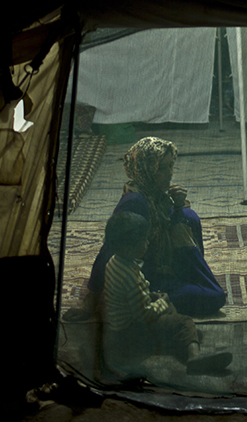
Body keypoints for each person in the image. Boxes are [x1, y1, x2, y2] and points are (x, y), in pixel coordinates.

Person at [88, 136, 226, 317]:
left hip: (162, 266)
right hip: (146, 279)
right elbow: (110, 248)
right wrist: (89, 302)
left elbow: (166, 225)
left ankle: (194, 280)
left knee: (187, 216)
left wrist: (177, 207)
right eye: (162, 168)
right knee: (214, 296)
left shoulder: (156, 195)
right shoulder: (135, 202)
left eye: (171, 166)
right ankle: (162, 298)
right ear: (146, 169)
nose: (169, 173)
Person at [99, 212, 232, 376]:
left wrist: (153, 297)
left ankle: (179, 338)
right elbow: (144, 314)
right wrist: (161, 302)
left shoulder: (114, 263)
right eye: (143, 240)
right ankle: (194, 357)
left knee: (170, 311)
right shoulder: (131, 276)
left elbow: (129, 299)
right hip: (133, 331)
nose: (147, 243)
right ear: (128, 248)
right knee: (184, 322)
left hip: (120, 328)